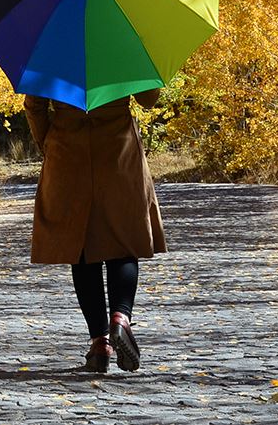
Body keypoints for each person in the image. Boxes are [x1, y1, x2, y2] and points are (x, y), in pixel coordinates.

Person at [24, 88, 166, 374]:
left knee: (81, 245)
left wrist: (47, 143)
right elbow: (150, 99)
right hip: (118, 148)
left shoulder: (51, 48)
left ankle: (100, 342)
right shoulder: (123, 45)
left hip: (68, 148)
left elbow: (34, 106)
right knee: (124, 240)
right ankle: (121, 318)